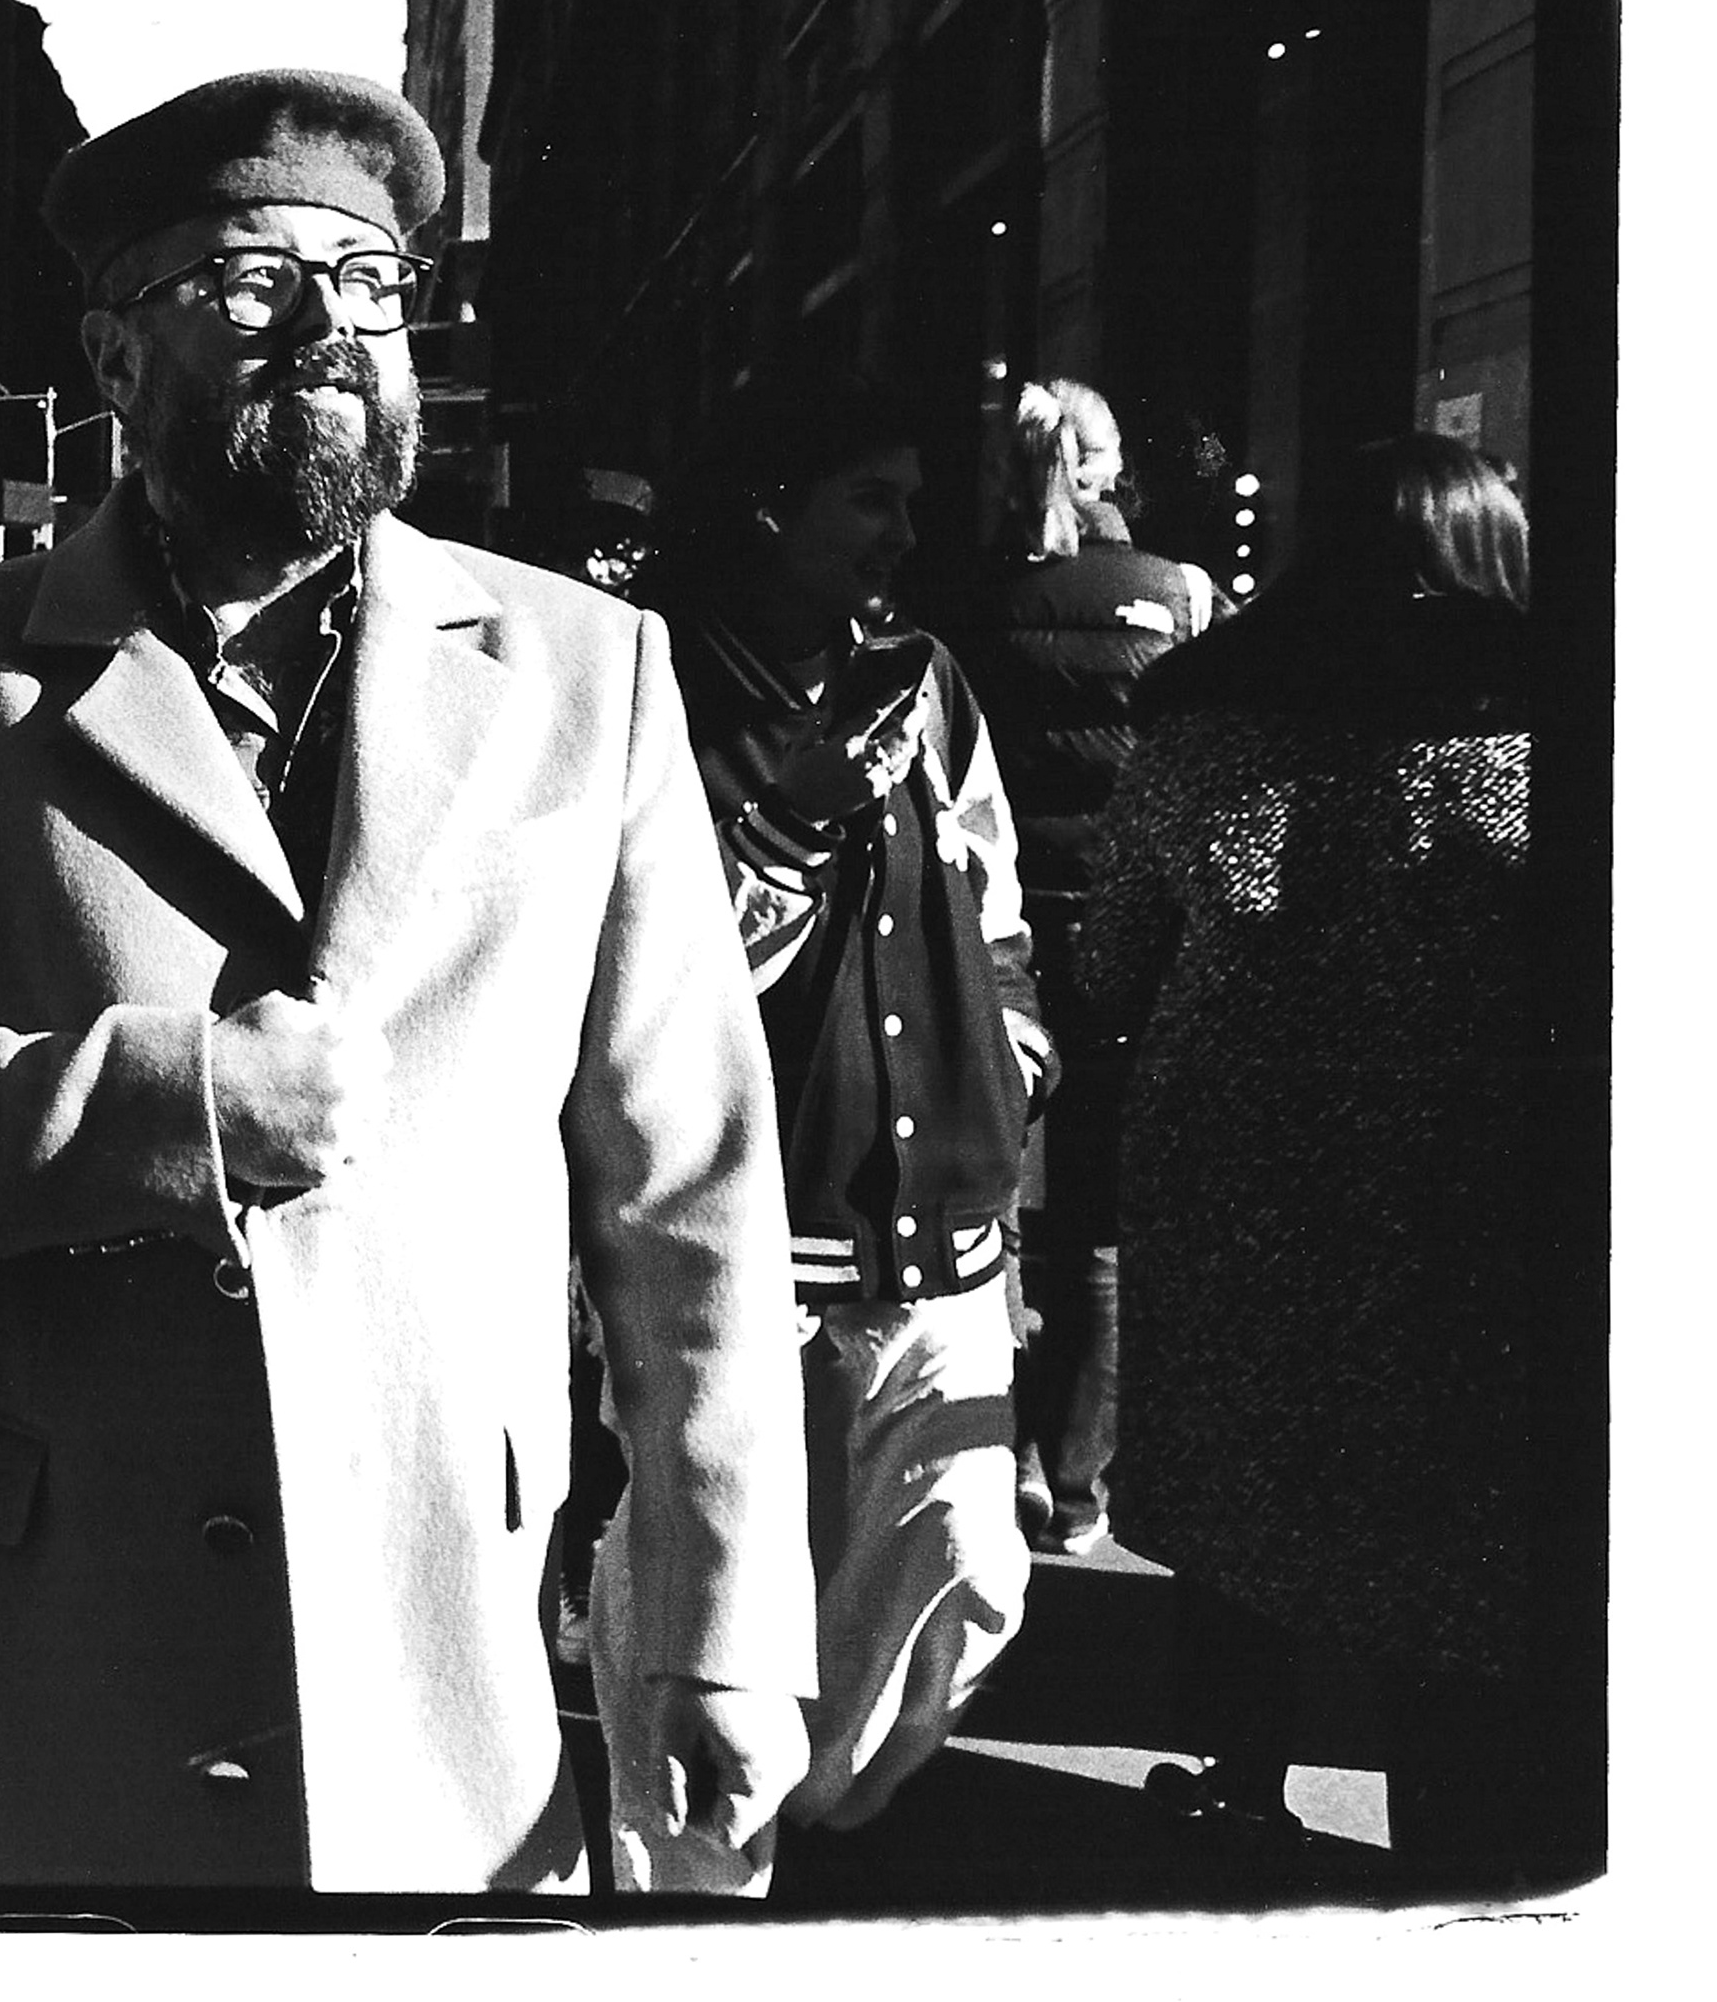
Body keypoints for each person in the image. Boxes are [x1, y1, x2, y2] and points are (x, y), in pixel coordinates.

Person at [0, 69, 814, 1892]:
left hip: (447, 1616)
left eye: (370, 278)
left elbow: (691, 1189)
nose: (325, 326)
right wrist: (171, 1102)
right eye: (248, 286)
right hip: (59, 1631)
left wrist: (726, 1621)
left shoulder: (586, 670)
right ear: (111, 356)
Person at [1084, 435, 1574, 1886]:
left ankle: (1239, 1782)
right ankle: (1460, 1836)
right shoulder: (1542, 716)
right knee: (1451, 1517)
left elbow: (1117, 959)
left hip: (1231, 1160)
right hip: (1456, 1166)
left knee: (1248, 1486)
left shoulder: (1204, 713)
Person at [623, 368, 1050, 1892]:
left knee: (966, 1569)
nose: (902, 533)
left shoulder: (927, 678)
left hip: (945, 1221)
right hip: (753, 1232)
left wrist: (1014, 1053)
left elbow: (991, 902)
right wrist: (787, 829)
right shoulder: (648, 680)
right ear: (769, 503)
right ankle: (703, 1886)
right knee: (724, 1599)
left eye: (912, 503)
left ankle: (817, 1814)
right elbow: (632, 977)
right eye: (872, 498)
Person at [945, 379, 1215, 1560]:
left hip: (988, 939)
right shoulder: (1179, 596)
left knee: (985, 1206)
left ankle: (992, 1459)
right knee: (1098, 1224)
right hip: (1125, 935)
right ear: (1107, 469)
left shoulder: (961, 604)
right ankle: (1079, 1481)